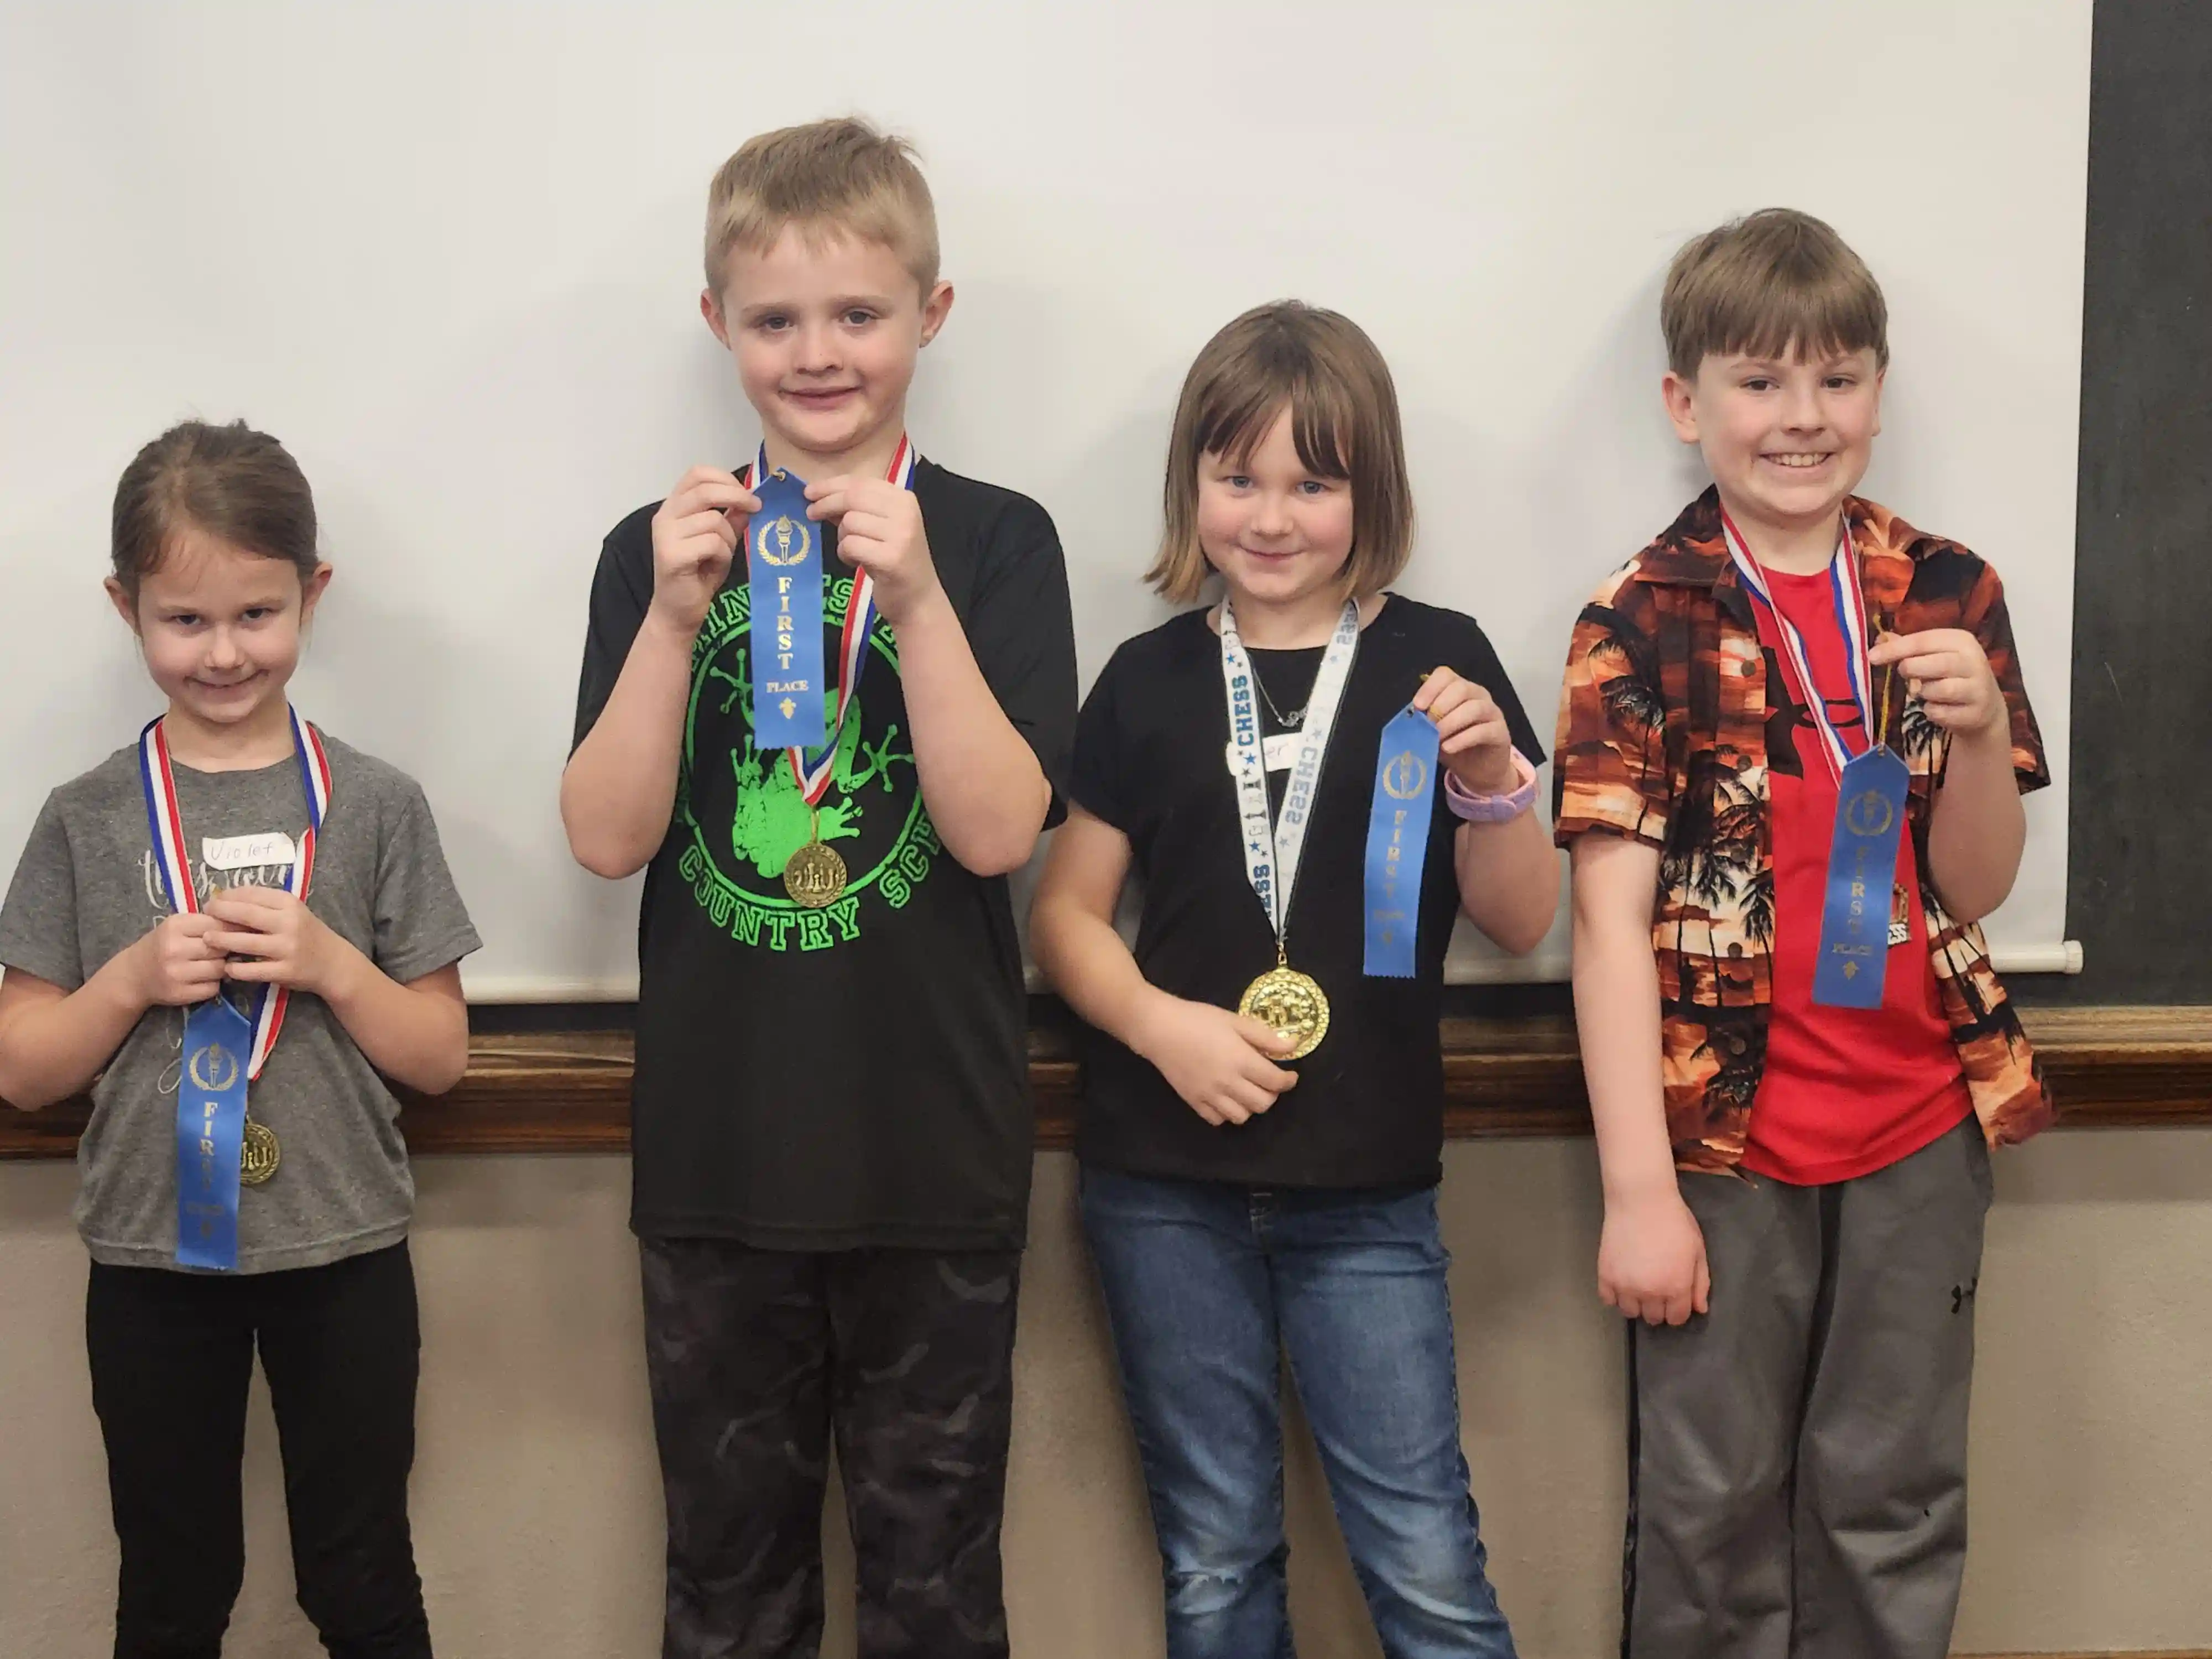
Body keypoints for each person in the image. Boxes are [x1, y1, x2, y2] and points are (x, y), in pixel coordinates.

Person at [560, 117, 1076, 1658]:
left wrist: (912, 599)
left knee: (934, 1596)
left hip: (935, 1153)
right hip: (722, 1154)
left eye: (858, 314)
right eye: (776, 319)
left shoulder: (994, 540)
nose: (818, 351)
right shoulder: (652, 550)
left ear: (932, 315)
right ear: (718, 325)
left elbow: (998, 835)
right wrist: (665, 621)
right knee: (728, 1598)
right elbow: (603, 835)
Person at [1552, 208, 2053, 1659]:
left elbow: (1976, 889)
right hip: (1721, 1148)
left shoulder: (1951, 594)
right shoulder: (1637, 618)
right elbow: (1605, 927)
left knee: (1891, 1495)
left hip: (1918, 1124)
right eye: (1761, 382)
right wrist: (1639, 1194)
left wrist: (1970, 738)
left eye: (1837, 379)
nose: (1802, 417)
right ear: (1685, 403)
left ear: (1879, 397)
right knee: (1709, 1505)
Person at [1030, 300, 1556, 1659]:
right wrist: (1162, 1029)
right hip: (1161, 1185)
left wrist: (1492, 779)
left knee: (1427, 1561)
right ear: (1190, 486)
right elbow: (1068, 919)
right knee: (1213, 1560)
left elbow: (1519, 919)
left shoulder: (1440, 665)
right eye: (1237, 478)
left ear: (1367, 491)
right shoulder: (1144, 682)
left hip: (1367, 1191)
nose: (1271, 517)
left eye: (1312, 483)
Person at [0, 419, 480, 1659]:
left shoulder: (375, 804)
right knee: (171, 1589)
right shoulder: (85, 818)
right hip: (153, 1263)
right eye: (186, 621)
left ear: (313, 595)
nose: (224, 653)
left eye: (257, 615)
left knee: (363, 1580)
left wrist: (331, 965)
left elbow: (437, 1055)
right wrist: (123, 984)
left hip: (345, 1247)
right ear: (127, 608)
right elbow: (24, 1071)